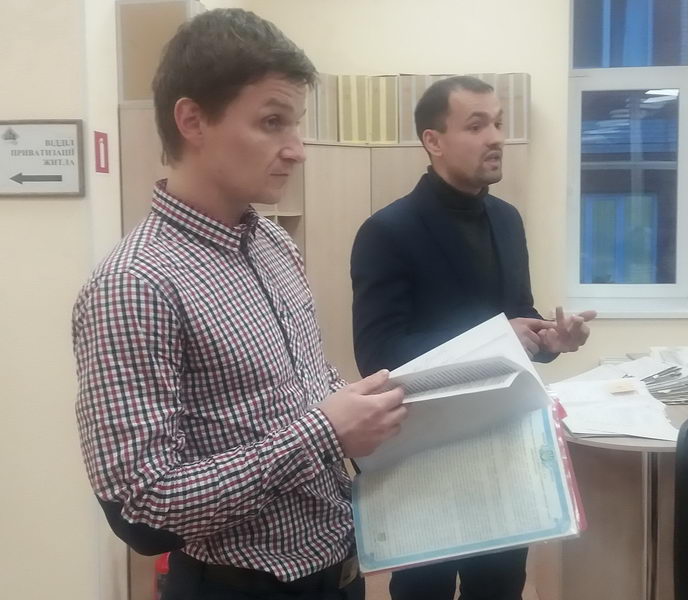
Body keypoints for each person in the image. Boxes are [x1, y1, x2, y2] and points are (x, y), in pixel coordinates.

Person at [72, 9, 406, 600]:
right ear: (192, 120)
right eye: (272, 122)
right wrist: (325, 431)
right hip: (238, 586)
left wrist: (367, 406)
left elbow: (303, 387)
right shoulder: (135, 283)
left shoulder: (275, 245)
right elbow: (144, 506)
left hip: (339, 573)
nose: (296, 150)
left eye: (295, 125)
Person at [350, 75, 596, 600]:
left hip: (505, 443)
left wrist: (550, 338)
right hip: (426, 454)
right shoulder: (387, 232)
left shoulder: (507, 220)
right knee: (424, 592)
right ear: (433, 140)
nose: (496, 137)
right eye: (477, 125)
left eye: (498, 123)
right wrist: (497, 336)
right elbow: (377, 356)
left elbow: (518, 316)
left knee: (501, 587)